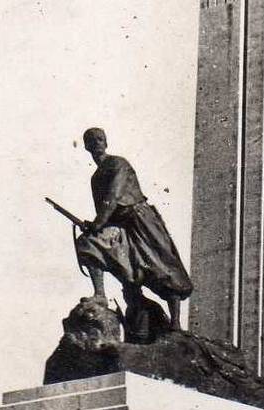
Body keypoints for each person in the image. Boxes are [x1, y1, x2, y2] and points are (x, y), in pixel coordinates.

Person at [75, 128, 192, 330]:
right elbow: (104, 210)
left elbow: (113, 196)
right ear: (86, 146)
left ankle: (175, 323)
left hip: (140, 221)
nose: (97, 143)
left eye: (100, 139)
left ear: (106, 142)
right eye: (92, 140)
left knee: (161, 266)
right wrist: (94, 227)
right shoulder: (95, 178)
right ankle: (100, 294)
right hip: (120, 226)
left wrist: (97, 223)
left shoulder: (118, 164)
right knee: (88, 243)